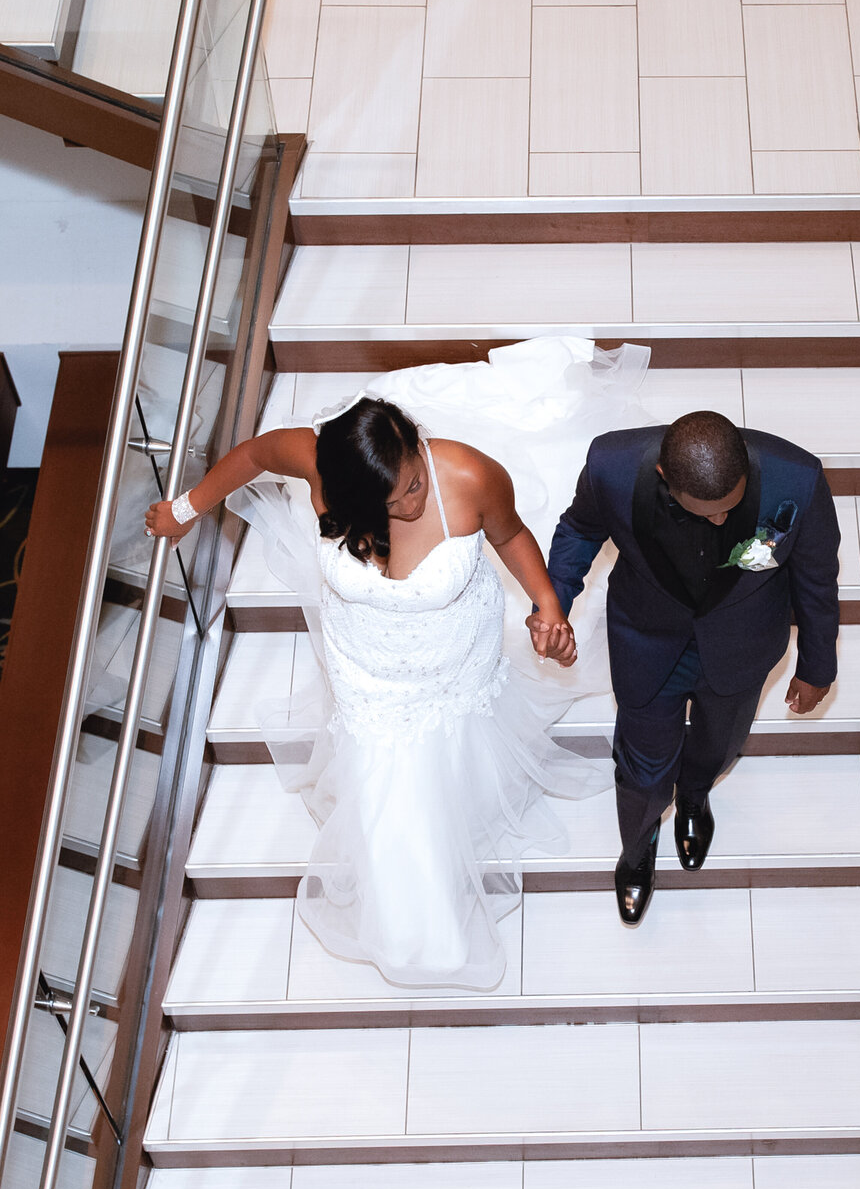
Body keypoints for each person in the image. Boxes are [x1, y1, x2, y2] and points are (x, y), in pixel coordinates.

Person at [145, 388, 596, 990]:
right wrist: (185, 508)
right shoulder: (319, 462)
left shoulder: (467, 473)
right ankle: (420, 928)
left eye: (414, 482)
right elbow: (253, 455)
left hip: (452, 656)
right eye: (393, 498)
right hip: (366, 667)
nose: (412, 502)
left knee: (455, 753)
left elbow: (512, 537)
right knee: (389, 786)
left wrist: (547, 605)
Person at [543, 411, 841, 926]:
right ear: (664, 476)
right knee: (640, 766)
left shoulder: (799, 478)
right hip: (648, 641)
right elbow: (579, 530)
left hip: (742, 645)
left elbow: (817, 581)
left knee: (719, 744)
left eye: (730, 508)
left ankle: (695, 797)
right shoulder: (611, 465)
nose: (722, 521)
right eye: (708, 512)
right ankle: (638, 846)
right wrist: (555, 602)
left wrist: (818, 664)